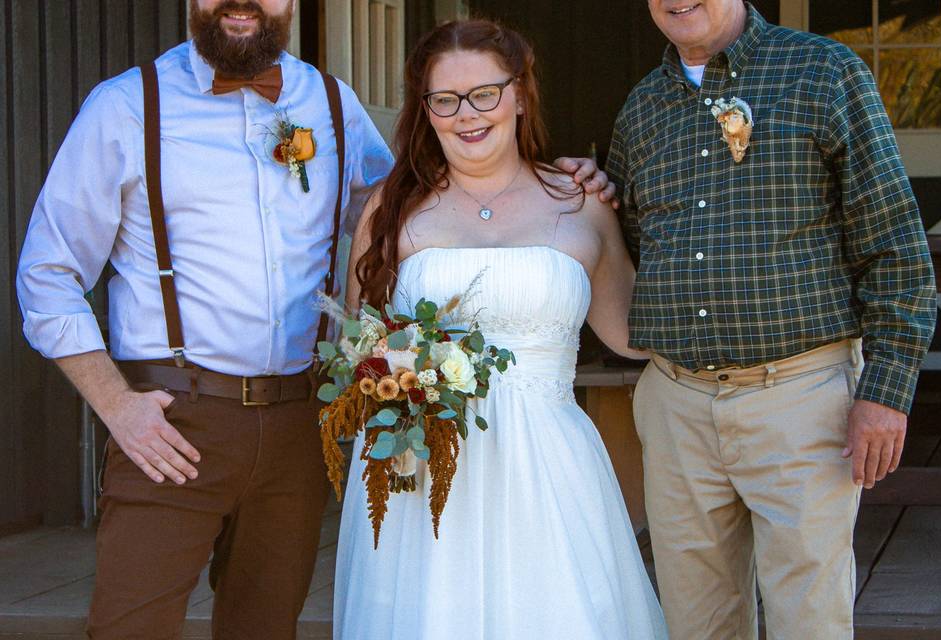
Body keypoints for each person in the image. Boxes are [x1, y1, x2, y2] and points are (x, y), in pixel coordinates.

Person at [16, 2, 611, 637]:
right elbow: (47, 275)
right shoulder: (126, 107)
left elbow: (421, 211)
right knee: (128, 627)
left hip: (302, 421)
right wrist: (116, 404)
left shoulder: (333, 104)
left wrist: (560, 186)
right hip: (172, 420)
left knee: (266, 627)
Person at [605, 1, 938, 638]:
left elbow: (895, 243)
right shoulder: (641, 107)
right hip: (676, 404)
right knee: (696, 623)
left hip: (800, 398)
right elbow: (628, 242)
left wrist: (886, 393)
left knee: (808, 619)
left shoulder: (823, 72)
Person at [335, 19, 667, 640]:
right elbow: (358, 349)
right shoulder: (391, 208)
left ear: (520, 94)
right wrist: (401, 376)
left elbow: (630, 334)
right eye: (445, 100)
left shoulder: (581, 200)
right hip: (421, 472)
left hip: (548, 466)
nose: (467, 114)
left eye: (485, 93)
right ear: (426, 111)